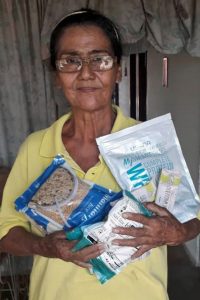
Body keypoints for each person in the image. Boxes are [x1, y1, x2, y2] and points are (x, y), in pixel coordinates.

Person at [0, 8, 199, 300]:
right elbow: (6, 232)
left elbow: (193, 219)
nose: (86, 73)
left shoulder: (148, 142)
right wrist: (46, 247)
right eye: (70, 61)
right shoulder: (36, 147)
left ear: (117, 70)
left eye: (100, 60)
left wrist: (176, 234)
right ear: (57, 76)